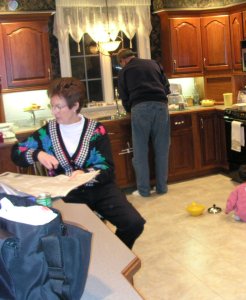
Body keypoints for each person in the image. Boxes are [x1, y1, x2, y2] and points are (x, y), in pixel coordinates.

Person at [11, 77, 145, 249]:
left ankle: (117, 253)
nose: (54, 112)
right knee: (74, 236)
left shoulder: (96, 130)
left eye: (59, 107)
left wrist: (86, 174)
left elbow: (107, 168)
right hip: (67, 195)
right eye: (52, 106)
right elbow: (16, 153)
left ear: (75, 106)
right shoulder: (46, 133)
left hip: (101, 190)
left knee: (133, 224)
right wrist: (37, 154)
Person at [117, 48, 171, 197]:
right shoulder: (154, 64)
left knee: (140, 152)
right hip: (161, 106)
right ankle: (162, 188)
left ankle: (144, 191)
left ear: (123, 61)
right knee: (162, 150)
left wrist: (130, 110)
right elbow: (166, 88)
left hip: (140, 108)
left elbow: (124, 97)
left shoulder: (124, 71)